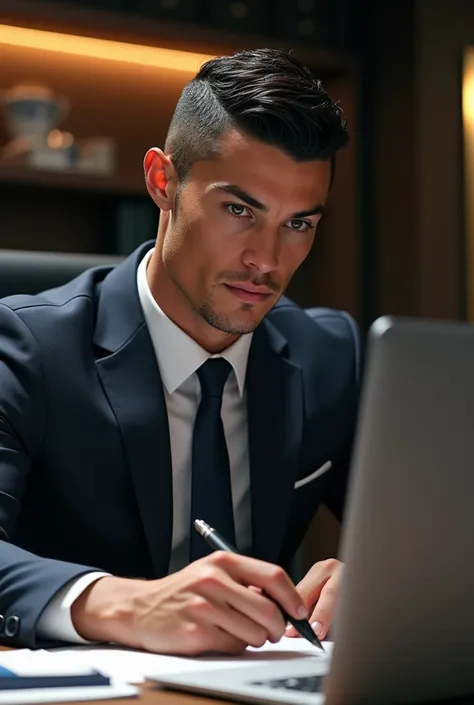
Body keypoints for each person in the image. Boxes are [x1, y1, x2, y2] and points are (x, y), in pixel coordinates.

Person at [0, 48, 360, 655]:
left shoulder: (331, 356)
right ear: (162, 181)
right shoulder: (25, 347)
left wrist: (379, 578)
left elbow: (444, 531)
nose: (267, 261)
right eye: (239, 210)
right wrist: (117, 602)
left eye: (298, 224)